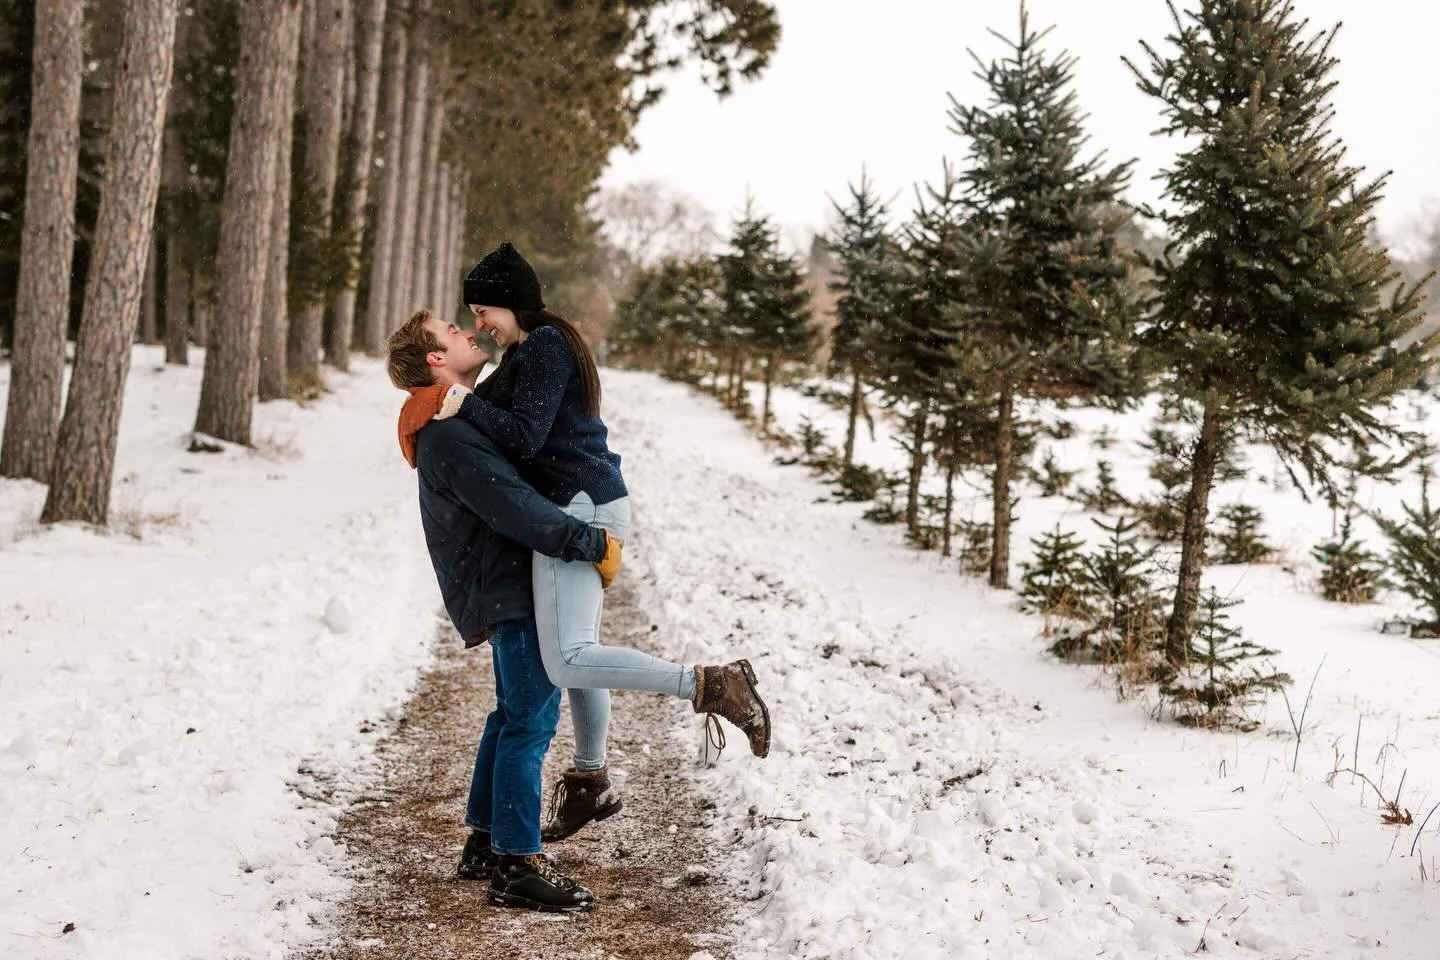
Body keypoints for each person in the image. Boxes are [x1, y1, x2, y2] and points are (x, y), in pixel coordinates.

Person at [432, 241, 771, 845]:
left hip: (580, 503)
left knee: (565, 658)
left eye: (483, 309)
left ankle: (711, 684)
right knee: (575, 648)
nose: (480, 323)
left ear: (511, 303)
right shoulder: (521, 354)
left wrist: (460, 403)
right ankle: (590, 780)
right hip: (573, 502)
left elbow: (527, 438)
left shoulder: (547, 346)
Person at [387, 308, 621, 912]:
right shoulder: (449, 434)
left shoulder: (451, 423)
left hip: (497, 581)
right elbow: (512, 505)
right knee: (529, 723)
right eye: (453, 333)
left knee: (510, 713)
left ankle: (487, 840)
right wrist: (588, 541)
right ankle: (517, 864)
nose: (469, 333)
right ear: (437, 359)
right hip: (505, 586)